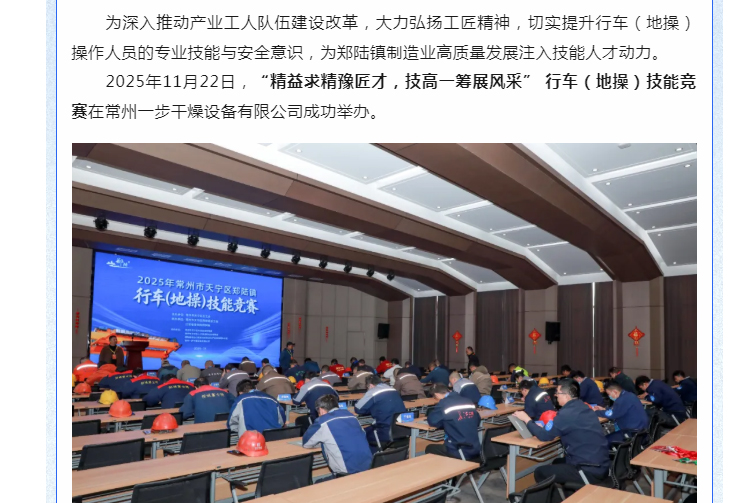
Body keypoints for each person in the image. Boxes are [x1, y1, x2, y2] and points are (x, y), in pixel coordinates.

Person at [512, 379, 610, 486]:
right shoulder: (584, 407)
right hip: (601, 464)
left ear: (566, 396)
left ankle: (559, 495)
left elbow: (544, 436)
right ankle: (567, 492)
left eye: (558, 393)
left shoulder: (566, 414)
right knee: (556, 462)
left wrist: (526, 419)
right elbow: (564, 426)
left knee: (540, 472)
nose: (555, 395)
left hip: (588, 470)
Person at [302, 394, 373, 476]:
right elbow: (362, 433)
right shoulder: (352, 416)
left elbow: (306, 443)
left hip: (347, 473)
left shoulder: (322, 421)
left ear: (321, 410)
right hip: (368, 466)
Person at [425, 383, 481, 460]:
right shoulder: (467, 400)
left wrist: (444, 423)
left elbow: (432, 421)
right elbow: (477, 420)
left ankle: (450, 467)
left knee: (429, 448)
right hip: (475, 448)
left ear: (437, 395)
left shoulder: (444, 403)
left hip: (458, 450)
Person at [354, 375, 407, 451]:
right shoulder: (393, 390)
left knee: (359, 433)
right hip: (401, 430)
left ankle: (372, 456)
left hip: (384, 432)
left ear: (370, 385)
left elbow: (358, 409)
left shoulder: (373, 391)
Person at [593, 381, 649, 447]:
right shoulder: (629, 395)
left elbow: (612, 415)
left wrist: (595, 412)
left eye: (609, 394)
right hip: (641, 429)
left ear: (615, 392)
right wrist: (604, 409)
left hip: (632, 432)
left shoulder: (621, 400)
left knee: (602, 441)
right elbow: (616, 409)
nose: (609, 396)